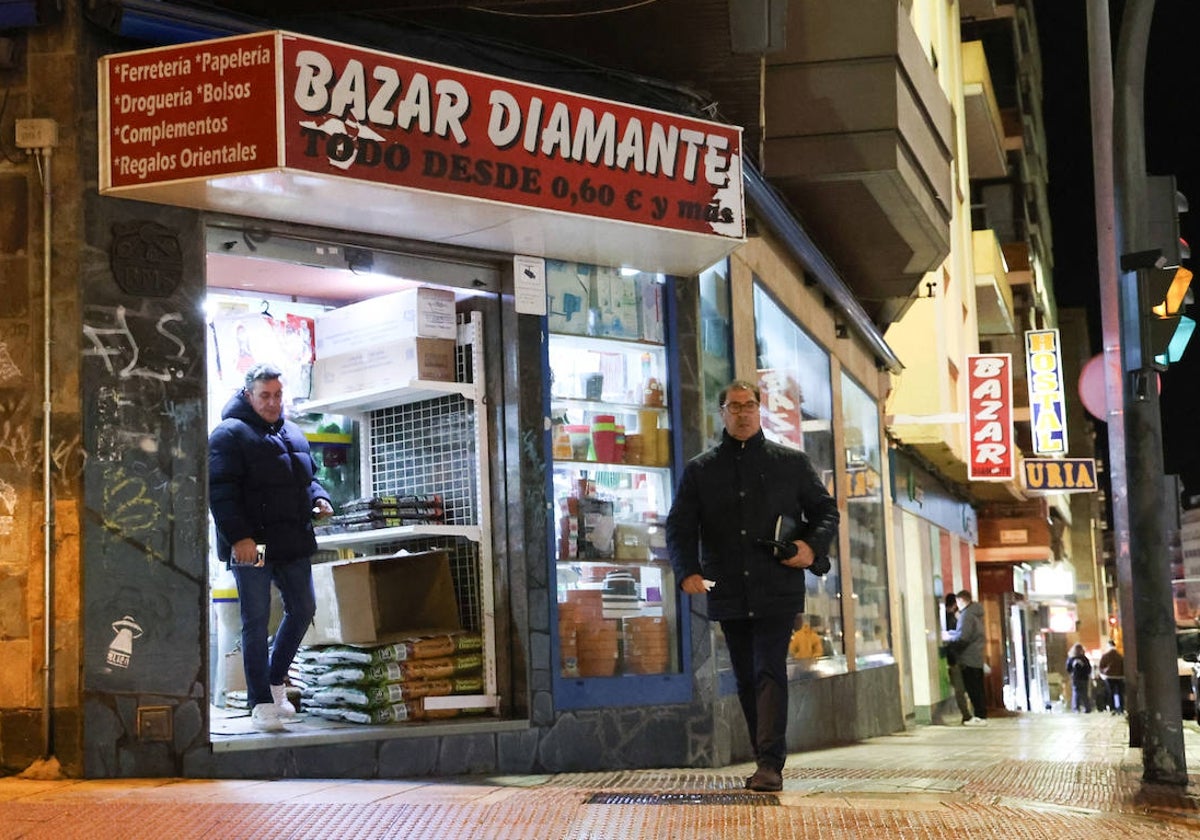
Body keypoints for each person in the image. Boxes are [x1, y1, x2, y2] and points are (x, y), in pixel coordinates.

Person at [666, 380, 839, 792]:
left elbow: (826, 511)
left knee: (767, 669)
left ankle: (769, 764)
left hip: (777, 586)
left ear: (758, 411)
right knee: (745, 675)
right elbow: (680, 525)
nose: (742, 413)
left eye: (748, 406)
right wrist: (686, 569)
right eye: (733, 406)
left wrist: (810, 548)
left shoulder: (791, 463)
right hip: (726, 588)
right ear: (721, 413)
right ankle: (764, 755)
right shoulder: (701, 470)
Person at [208, 363, 334, 732]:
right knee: (256, 619)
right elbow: (220, 492)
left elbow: (309, 478)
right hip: (253, 545)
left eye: (278, 395)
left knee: (303, 608)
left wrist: (321, 497)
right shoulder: (228, 435)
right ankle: (260, 701)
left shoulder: (293, 433)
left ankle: (276, 683)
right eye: (265, 395)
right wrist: (240, 538)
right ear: (249, 395)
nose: (273, 402)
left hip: (291, 541)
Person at [943, 589, 987, 725]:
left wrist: (949, 646)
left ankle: (979, 717)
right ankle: (981, 715)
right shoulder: (976, 614)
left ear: (961, 600)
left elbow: (964, 637)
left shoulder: (967, 615)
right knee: (977, 687)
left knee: (972, 688)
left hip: (968, 657)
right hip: (976, 656)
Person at [942, 593, 972, 724]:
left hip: (953, 659)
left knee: (959, 688)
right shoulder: (953, 619)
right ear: (955, 604)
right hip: (956, 659)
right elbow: (959, 639)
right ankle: (966, 714)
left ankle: (966, 714)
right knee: (960, 688)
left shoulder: (949, 618)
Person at [1098, 639, 1125, 714]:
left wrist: (1104, 672)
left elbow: (1101, 667)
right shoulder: (1119, 656)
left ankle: (1112, 708)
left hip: (1109, 677)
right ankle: (1121, 709)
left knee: (1111, 693)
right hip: (1120, 677)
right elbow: (1123, 666)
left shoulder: (1105, 656)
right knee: (1120, 693)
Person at [1066, 642, 1094, 713]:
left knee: (1076, 693)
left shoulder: (1071, 659)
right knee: (1084, 693)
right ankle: (1087, 708)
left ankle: (1076, 708)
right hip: (1084, 678)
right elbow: (1089, 669)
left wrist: (1072, 672)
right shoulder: (1084, 659)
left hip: (1076, 678)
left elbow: (1068, 669)